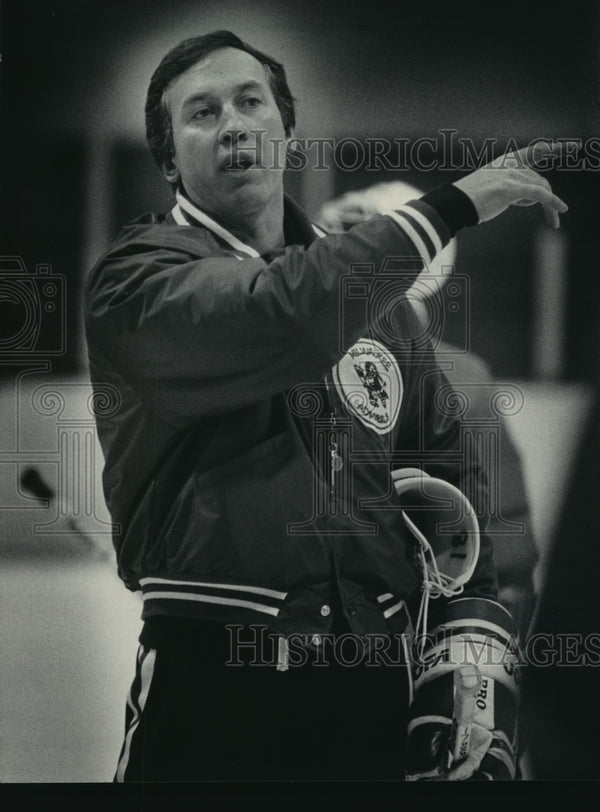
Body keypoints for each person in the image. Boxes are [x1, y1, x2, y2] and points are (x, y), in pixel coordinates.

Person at [83, 30, 568, 783]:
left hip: (369, 683)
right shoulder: (137, 280)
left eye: (252, 103)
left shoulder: (389, 318)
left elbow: (457, 507)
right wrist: (455, 204)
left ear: (284, 129)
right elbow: (283, 311)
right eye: (203, 113)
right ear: (170, 157)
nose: (235, 123)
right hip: (214, 685)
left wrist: (471, 672)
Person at [316, 181, 539, 642]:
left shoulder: (458, 378)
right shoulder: (461, 373)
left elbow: (505, 554)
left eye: (353, 232)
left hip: (389, 628)